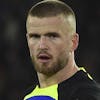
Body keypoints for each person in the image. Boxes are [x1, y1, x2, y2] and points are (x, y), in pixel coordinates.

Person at [23, 0, 100, 100]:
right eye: (35, 36)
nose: (42, 46)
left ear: (73, 42)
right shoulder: (28, 95)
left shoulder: (87, 95)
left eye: (52, 36)